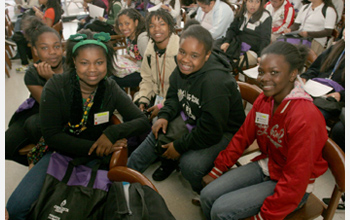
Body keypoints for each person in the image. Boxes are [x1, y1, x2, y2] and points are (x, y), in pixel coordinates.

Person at [6, 30, 151, 220]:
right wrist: (94, 147)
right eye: (84, 62)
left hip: (95, 159)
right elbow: (52, 136)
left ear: (107, 64)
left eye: (99, 62)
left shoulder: (110, 88)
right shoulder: (56, 86)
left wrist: (111, 132)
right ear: (74, 62)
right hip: (58, 153)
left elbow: (142, 122)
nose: (92, 69)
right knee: (16, 208)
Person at [200, 41, 328, 220]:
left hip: (293, 186)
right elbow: (243, 136)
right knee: (206, 195)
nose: (264, 78)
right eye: (261, 72)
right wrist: (218, 168)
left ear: (293, 75)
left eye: (274, 72)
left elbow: (295, 181)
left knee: (220, 210)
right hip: (269, 164)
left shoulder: (306, 117)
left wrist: (264, 216)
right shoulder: (265, 100)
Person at [127, 25, 246, 193]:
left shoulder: (215, 83)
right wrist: (165, 115)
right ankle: (124, 176)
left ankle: (207, 192)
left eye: (194, 55)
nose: (185, 60)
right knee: (157, 129)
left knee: (190, 165)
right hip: (195, 117)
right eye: (182, 52)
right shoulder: (183, 67)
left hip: (224, 131)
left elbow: (211, 131)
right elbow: (174, 96)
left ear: (207, 55)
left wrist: (179, 146)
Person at [5, 17, 65, 166]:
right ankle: (43, 160)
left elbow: (67, 106)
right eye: (44, 48)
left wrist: (53, 78)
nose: (52, 52)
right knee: (7, 144)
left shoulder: (73, 65)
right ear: (35, 50)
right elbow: (47, 104)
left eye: (56, 46)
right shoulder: (33, 72)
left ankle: (55, 159)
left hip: (70, 110)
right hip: (41, 106)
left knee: (34, 125)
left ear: (62, 47)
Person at [133, 9, 180, 121]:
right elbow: (147, 79)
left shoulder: (179, 53)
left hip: (175, 103)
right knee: (134, 113)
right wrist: (143, 99)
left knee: (155, 122)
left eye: (162, 24)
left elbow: (181, 89)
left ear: (170, 27)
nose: (157, 29)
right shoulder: (150, 52)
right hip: (155, 98)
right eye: (152, 26)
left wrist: (162, 105)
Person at [300, 34, 344, 121]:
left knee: (312, 115)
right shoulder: (335, 47)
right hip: (315, 88)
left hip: (332, 98)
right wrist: (305, 77)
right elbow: (315, 68)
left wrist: (341, 95)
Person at [14, 0, 63, 72]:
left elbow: (47, 29)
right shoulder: (53, 9)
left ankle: (25, 63)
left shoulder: (50, 10)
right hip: (48, 34)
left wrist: (40, 17)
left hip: (45, 36)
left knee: (19, 38)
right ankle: (29, 58)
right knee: (19, 35)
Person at [219, 0, 272, 66]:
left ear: (261, 3)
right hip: (235, 46)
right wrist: (227, 42)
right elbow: (232, 29)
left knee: (227, 64)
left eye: (257, 2)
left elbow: (265, 39)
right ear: (245, 2)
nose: (253, 5)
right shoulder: (242, 13)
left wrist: (261, 56)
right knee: (216, 56)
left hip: (251, 51)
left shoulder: (265, 16)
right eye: (250, 1)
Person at [111, 8, 149, 90]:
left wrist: (136, 62)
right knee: (111, 77)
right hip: (137, 70)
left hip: (146, 76)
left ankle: (124, 101)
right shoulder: (130, 37)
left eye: (127, 23)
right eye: (120, 24)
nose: (124, 28)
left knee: (111, 82)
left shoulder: (142, 39)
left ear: (136, 22)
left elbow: (152, 64)